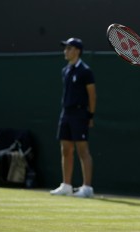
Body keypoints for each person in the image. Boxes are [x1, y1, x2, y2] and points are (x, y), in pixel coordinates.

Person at [50, 37, 96, 198]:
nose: (65, 51)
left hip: (80, 113)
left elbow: (92, 95)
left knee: (83, 151)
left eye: (69, 48)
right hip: (66, 113)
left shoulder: (85, 71)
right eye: (65, 48)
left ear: (77, 51)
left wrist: (90, 115)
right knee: (66, 150)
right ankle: (66, 185)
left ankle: (87, 188)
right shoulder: (65, 70)